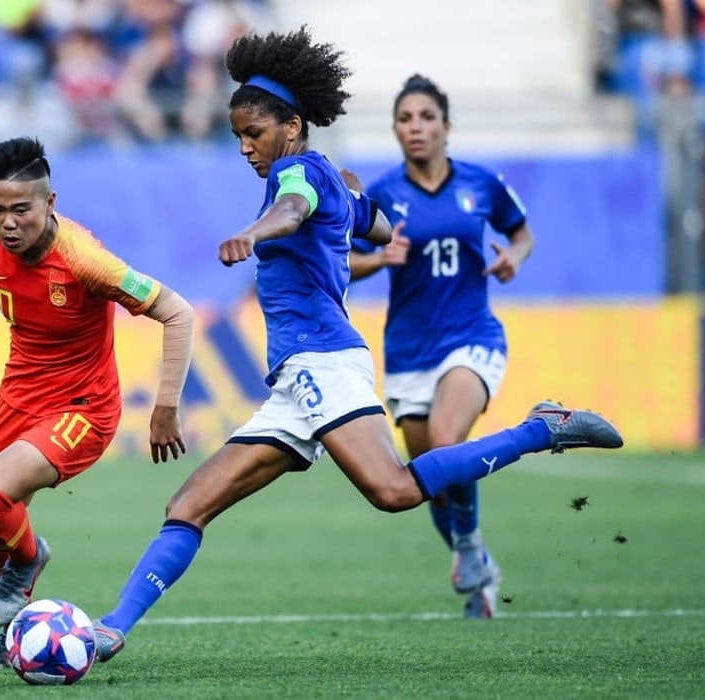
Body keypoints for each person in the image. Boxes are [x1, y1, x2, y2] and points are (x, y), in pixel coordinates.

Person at [87, 26, 624, 663]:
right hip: (296, 376)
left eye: (252, 133)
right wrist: (357, 210)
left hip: (323, 360)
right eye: (236, 136)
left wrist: (253, 232)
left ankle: (542, 428)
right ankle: (111, 628)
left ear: (291, 125)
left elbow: (290, 210)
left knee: (393, 491)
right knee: (188, 505)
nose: (244, 147)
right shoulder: (327, 179)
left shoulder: (296, 174)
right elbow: (377, 225)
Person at [0, 136, 194, 669]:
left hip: (82, 407)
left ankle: (31, 560)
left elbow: (178, 312)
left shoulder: (85, 260)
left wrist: (164, 407)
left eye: (21, 210)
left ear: (50, 204)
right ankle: (12, 635)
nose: (7, 223)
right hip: (19, 393)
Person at [345, 74, 535, 620]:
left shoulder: (482, 183)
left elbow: (521, 234)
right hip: (409, 349)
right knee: (425, 472)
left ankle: (470, 547)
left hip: (471, 335)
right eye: (405, 119)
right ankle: (476, 573)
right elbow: (341, 262)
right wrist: (379, 259)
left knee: (449, 441)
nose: (416, 128)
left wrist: (512, 259)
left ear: (446, 126)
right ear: (395, 130)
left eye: (426, 117)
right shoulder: (380, 196)